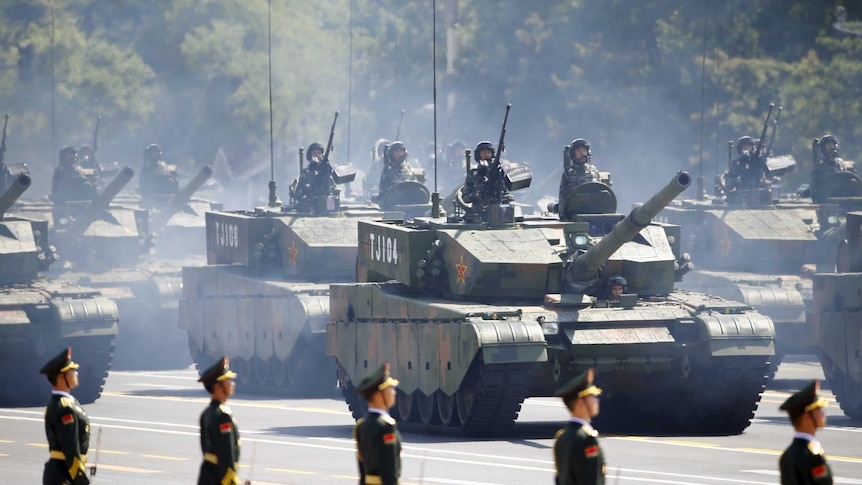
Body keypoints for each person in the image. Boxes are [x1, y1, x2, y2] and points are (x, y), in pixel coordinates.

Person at [40, 347, 91, 485]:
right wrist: (80, 479)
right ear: (61, 377)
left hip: (62, 472)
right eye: (72, 371)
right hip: (65, 474)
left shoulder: (64, 403)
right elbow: (71, 448)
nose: (76, 373)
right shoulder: (65, 408)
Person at [553, 368, 606, 485]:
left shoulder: (561, 436)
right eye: (592, 396)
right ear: (580, 403)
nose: (597, 400)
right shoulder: (587, 439)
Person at [353, 362, 402, 485]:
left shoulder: (361, 426)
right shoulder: (385, 427)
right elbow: (389, 470)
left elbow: (362, 470)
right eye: (389, 389)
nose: (393, 392)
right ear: (379, 395)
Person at [778, 379, 833, 484]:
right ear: (807, 417)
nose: (823, 414)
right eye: (818, 410)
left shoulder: (787, 455)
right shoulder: (812, 456)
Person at [197, 356, 241, 485]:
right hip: (218, 478)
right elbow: (225, 455)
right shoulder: (222, 416)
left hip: (208, 477)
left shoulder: (207, 413)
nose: (231, 383)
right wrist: (232, 483)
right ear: (218, 386)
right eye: (227, 380)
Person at [460, 141, 513, 220]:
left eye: (488, 152)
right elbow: (465, 198)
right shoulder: (473, 174)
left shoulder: (498, 173)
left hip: (498, 214)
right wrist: (475, 195)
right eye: (483, 152)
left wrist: (507, 198)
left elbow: (504, 192)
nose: (486, 155)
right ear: (479, 155)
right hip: (478, 215)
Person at [559, 139, 601, 218]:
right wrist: (563, 219)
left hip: (593, 213)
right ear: (573, 153)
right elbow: (562, 198)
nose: (582, 153)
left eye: (584, 150)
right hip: (574, 215)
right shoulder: (568, 173)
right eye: (578, 150)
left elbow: (600, 191)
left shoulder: (594, 171)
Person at [291, 142, 337, 211]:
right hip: (311, 206)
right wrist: (305, 189)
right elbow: (297, 195)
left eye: (319, 153)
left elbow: (333, 188)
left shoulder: (327, 171)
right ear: (310, 155)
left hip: (326, 205)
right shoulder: (306, 173)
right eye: (315, 153)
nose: (317, 155)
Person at [811, 134, 855, 203]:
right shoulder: (820, 165)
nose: (831, 147)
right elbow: (815, 184)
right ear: (823, 147)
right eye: (828, 145)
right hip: (826, 196)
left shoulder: (841, 163)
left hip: (842, 194)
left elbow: (848, 178)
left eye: (832, 144)